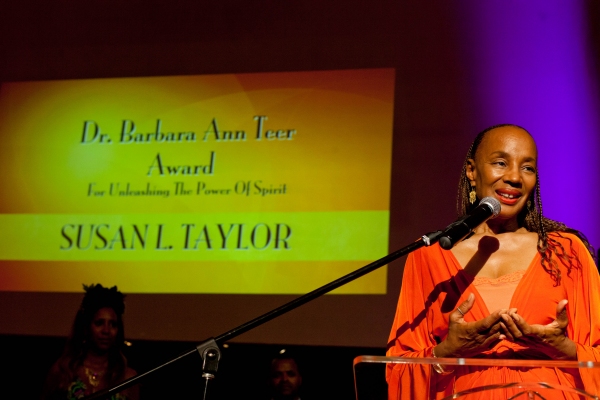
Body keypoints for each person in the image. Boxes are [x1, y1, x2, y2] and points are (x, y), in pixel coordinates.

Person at [386, 124, 600, 399]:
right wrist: (449, 351)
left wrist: (563, 348)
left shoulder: (566, 252)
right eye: (501, 162)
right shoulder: (428, 255)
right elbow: (399, 368)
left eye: (527, 168)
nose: (514, 177)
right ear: (472, 172)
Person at [42, 284, 139, 400]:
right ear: (86, 327)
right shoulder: (63, 371)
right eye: (99, 323)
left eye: (113, 324)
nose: (106, 330)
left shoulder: (128, 377)